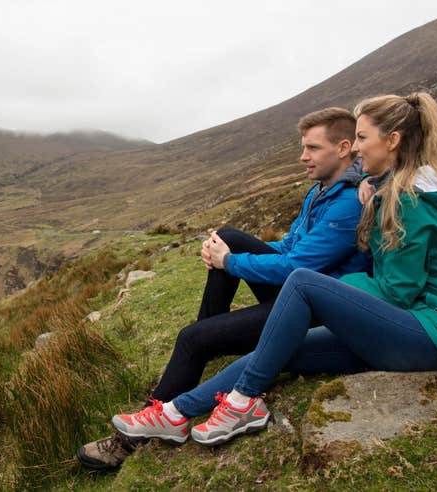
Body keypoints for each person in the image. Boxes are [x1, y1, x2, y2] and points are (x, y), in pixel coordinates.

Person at [110, 92, 437, 448]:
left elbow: (397, 291)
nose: (355, 147)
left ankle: (242, 403)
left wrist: (332, 292)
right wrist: (374, 189)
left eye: (362, 137)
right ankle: (173, 414)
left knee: (304, 282)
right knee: (273, 350)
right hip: (401, 330)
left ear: (392, 140)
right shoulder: (384, 191)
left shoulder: (411, 201)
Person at [77, 107, 371, 469]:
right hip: (298, 296)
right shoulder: (321, 192)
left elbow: (297, 267)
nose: (302, 156)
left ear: (343, 148)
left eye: (312, 148)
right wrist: (226, 253)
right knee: (228, 239)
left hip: (315, 312)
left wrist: (229, 262)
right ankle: (206, 341)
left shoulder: (347, 204)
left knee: (192, 337)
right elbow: (291, 246)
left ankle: (133, 439)